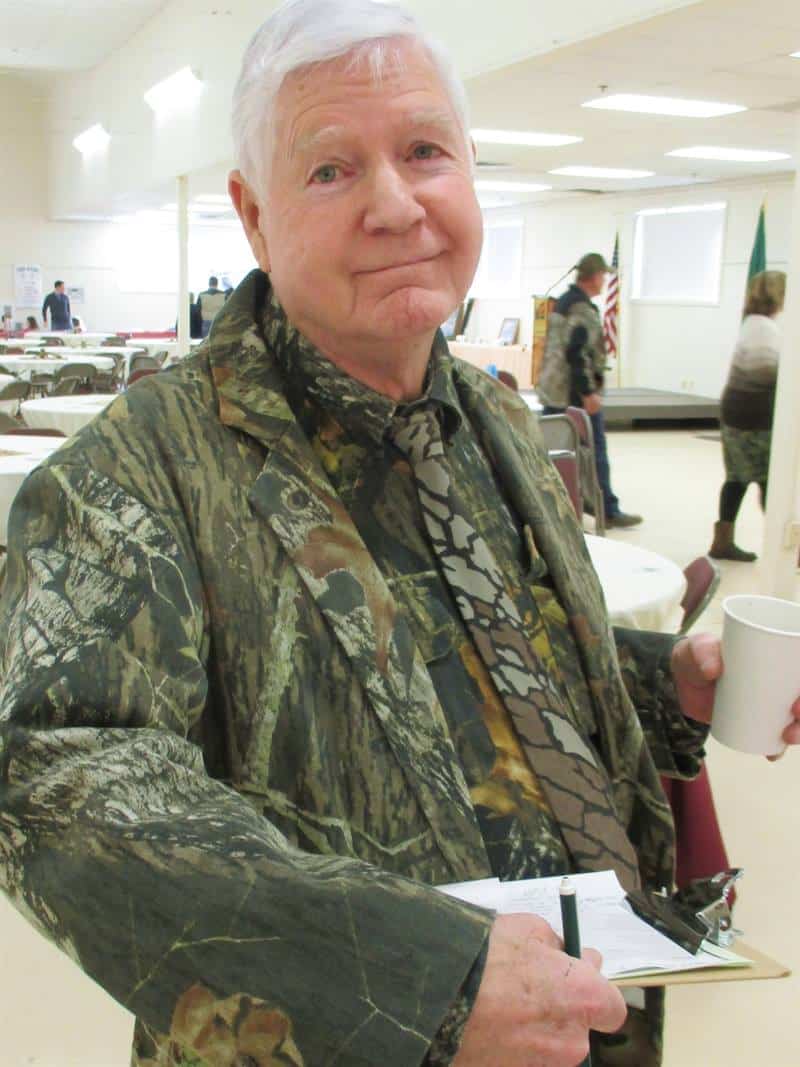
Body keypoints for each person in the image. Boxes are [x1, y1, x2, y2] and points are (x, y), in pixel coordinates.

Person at [1, 4, 799, 1067]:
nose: (394, 204)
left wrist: (661, 684)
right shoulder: (134, 471)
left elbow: (483, 660)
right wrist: (425, 978)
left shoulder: (493, 420)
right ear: (253, 215)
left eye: (424, 151)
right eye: (330, 169)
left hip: (592, 1015)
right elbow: (62, 791)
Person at [538, 254, 642, 528]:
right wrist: (588, 393)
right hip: (573, 396)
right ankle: (607, 508)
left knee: (554, 452)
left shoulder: (563, 303)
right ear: (594, 276)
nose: (604, 281)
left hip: (553, 390)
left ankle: (557, 506)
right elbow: (577, 352)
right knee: (595, 452)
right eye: (603, 276)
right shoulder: (582, 309)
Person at [709, 270, 786, 562]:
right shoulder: (766, 330)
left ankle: (722, 541)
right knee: (770, 482)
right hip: (756, 419)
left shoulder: (752, 323)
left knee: (737, 479)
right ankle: (784, 548)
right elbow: (772, 377)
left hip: (736, 414)